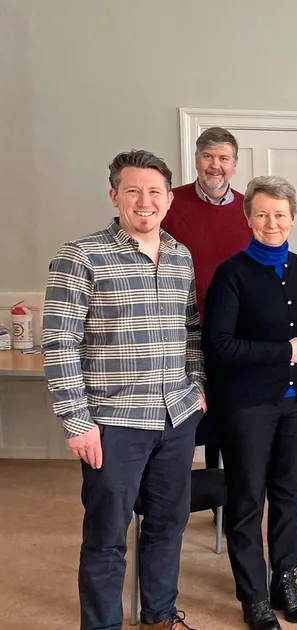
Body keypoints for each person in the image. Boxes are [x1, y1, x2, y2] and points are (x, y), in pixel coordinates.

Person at [42, 149, 204, 630]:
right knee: (107, 535)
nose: (144, 201)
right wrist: (77, 422)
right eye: (132, 190)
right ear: (114, 196)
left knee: (167, 526)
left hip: (175, 417)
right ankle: (103, 625)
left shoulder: (179, 255)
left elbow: (190, 330)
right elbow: (58, 340)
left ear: (169, 200)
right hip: (113, 423)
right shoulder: (81, 255)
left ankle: (159, 614)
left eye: (155, 191)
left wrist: (197, 387)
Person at [203, 175, 297, 630]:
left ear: (293, 218)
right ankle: (254, 597)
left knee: (289, 494)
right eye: (261, 213)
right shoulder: (231, 274)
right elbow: (217, 346)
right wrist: (282, 352)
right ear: (248, 218)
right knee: (246, 501)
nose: (271, 222)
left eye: (280, 214)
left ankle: (285, 578)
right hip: (248, 407)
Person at [162, 126, 251, 473]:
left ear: (234, 164)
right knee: (185, 419)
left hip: (236, 334)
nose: (216, 165)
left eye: (223, 158)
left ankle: (226, 503)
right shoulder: (170, 203)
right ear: (196, 159)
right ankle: (172, 501)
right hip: (181, 331)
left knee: (231, 418)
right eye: (208, 156)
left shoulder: (249, 208)